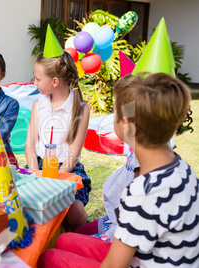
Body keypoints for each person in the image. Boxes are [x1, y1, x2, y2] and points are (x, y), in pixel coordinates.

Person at [38, 73, 199, 268]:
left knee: (50, 257)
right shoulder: (182, 168)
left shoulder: (142, 191)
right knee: (64, 240)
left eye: (115, 113)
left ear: (127, 126)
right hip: (151, 255)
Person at [25, 51, 91, 230]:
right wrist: (33, 172)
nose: (34, 82)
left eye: (38, 79)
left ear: (54, 82)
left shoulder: (81, 109)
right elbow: (30, 144)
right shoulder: (38, 105)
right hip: (37, 167)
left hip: (66, 170)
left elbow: (73, 154)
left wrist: (56, 182)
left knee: (75, 214)